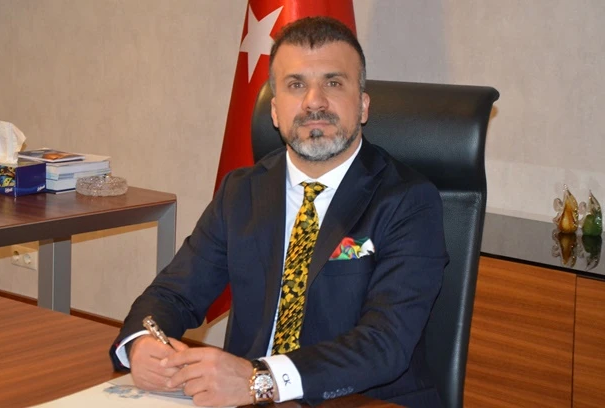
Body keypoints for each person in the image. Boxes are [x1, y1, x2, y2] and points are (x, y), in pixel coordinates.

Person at [109, 16, 448, 408]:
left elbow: (384, 344)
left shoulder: (409, 201)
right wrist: (141, 345)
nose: (314, 102)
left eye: (333, 83)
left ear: (363, 106)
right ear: (274, 111)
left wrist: (262, 379)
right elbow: (173, 293)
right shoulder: (242, 191)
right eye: (296, 85)